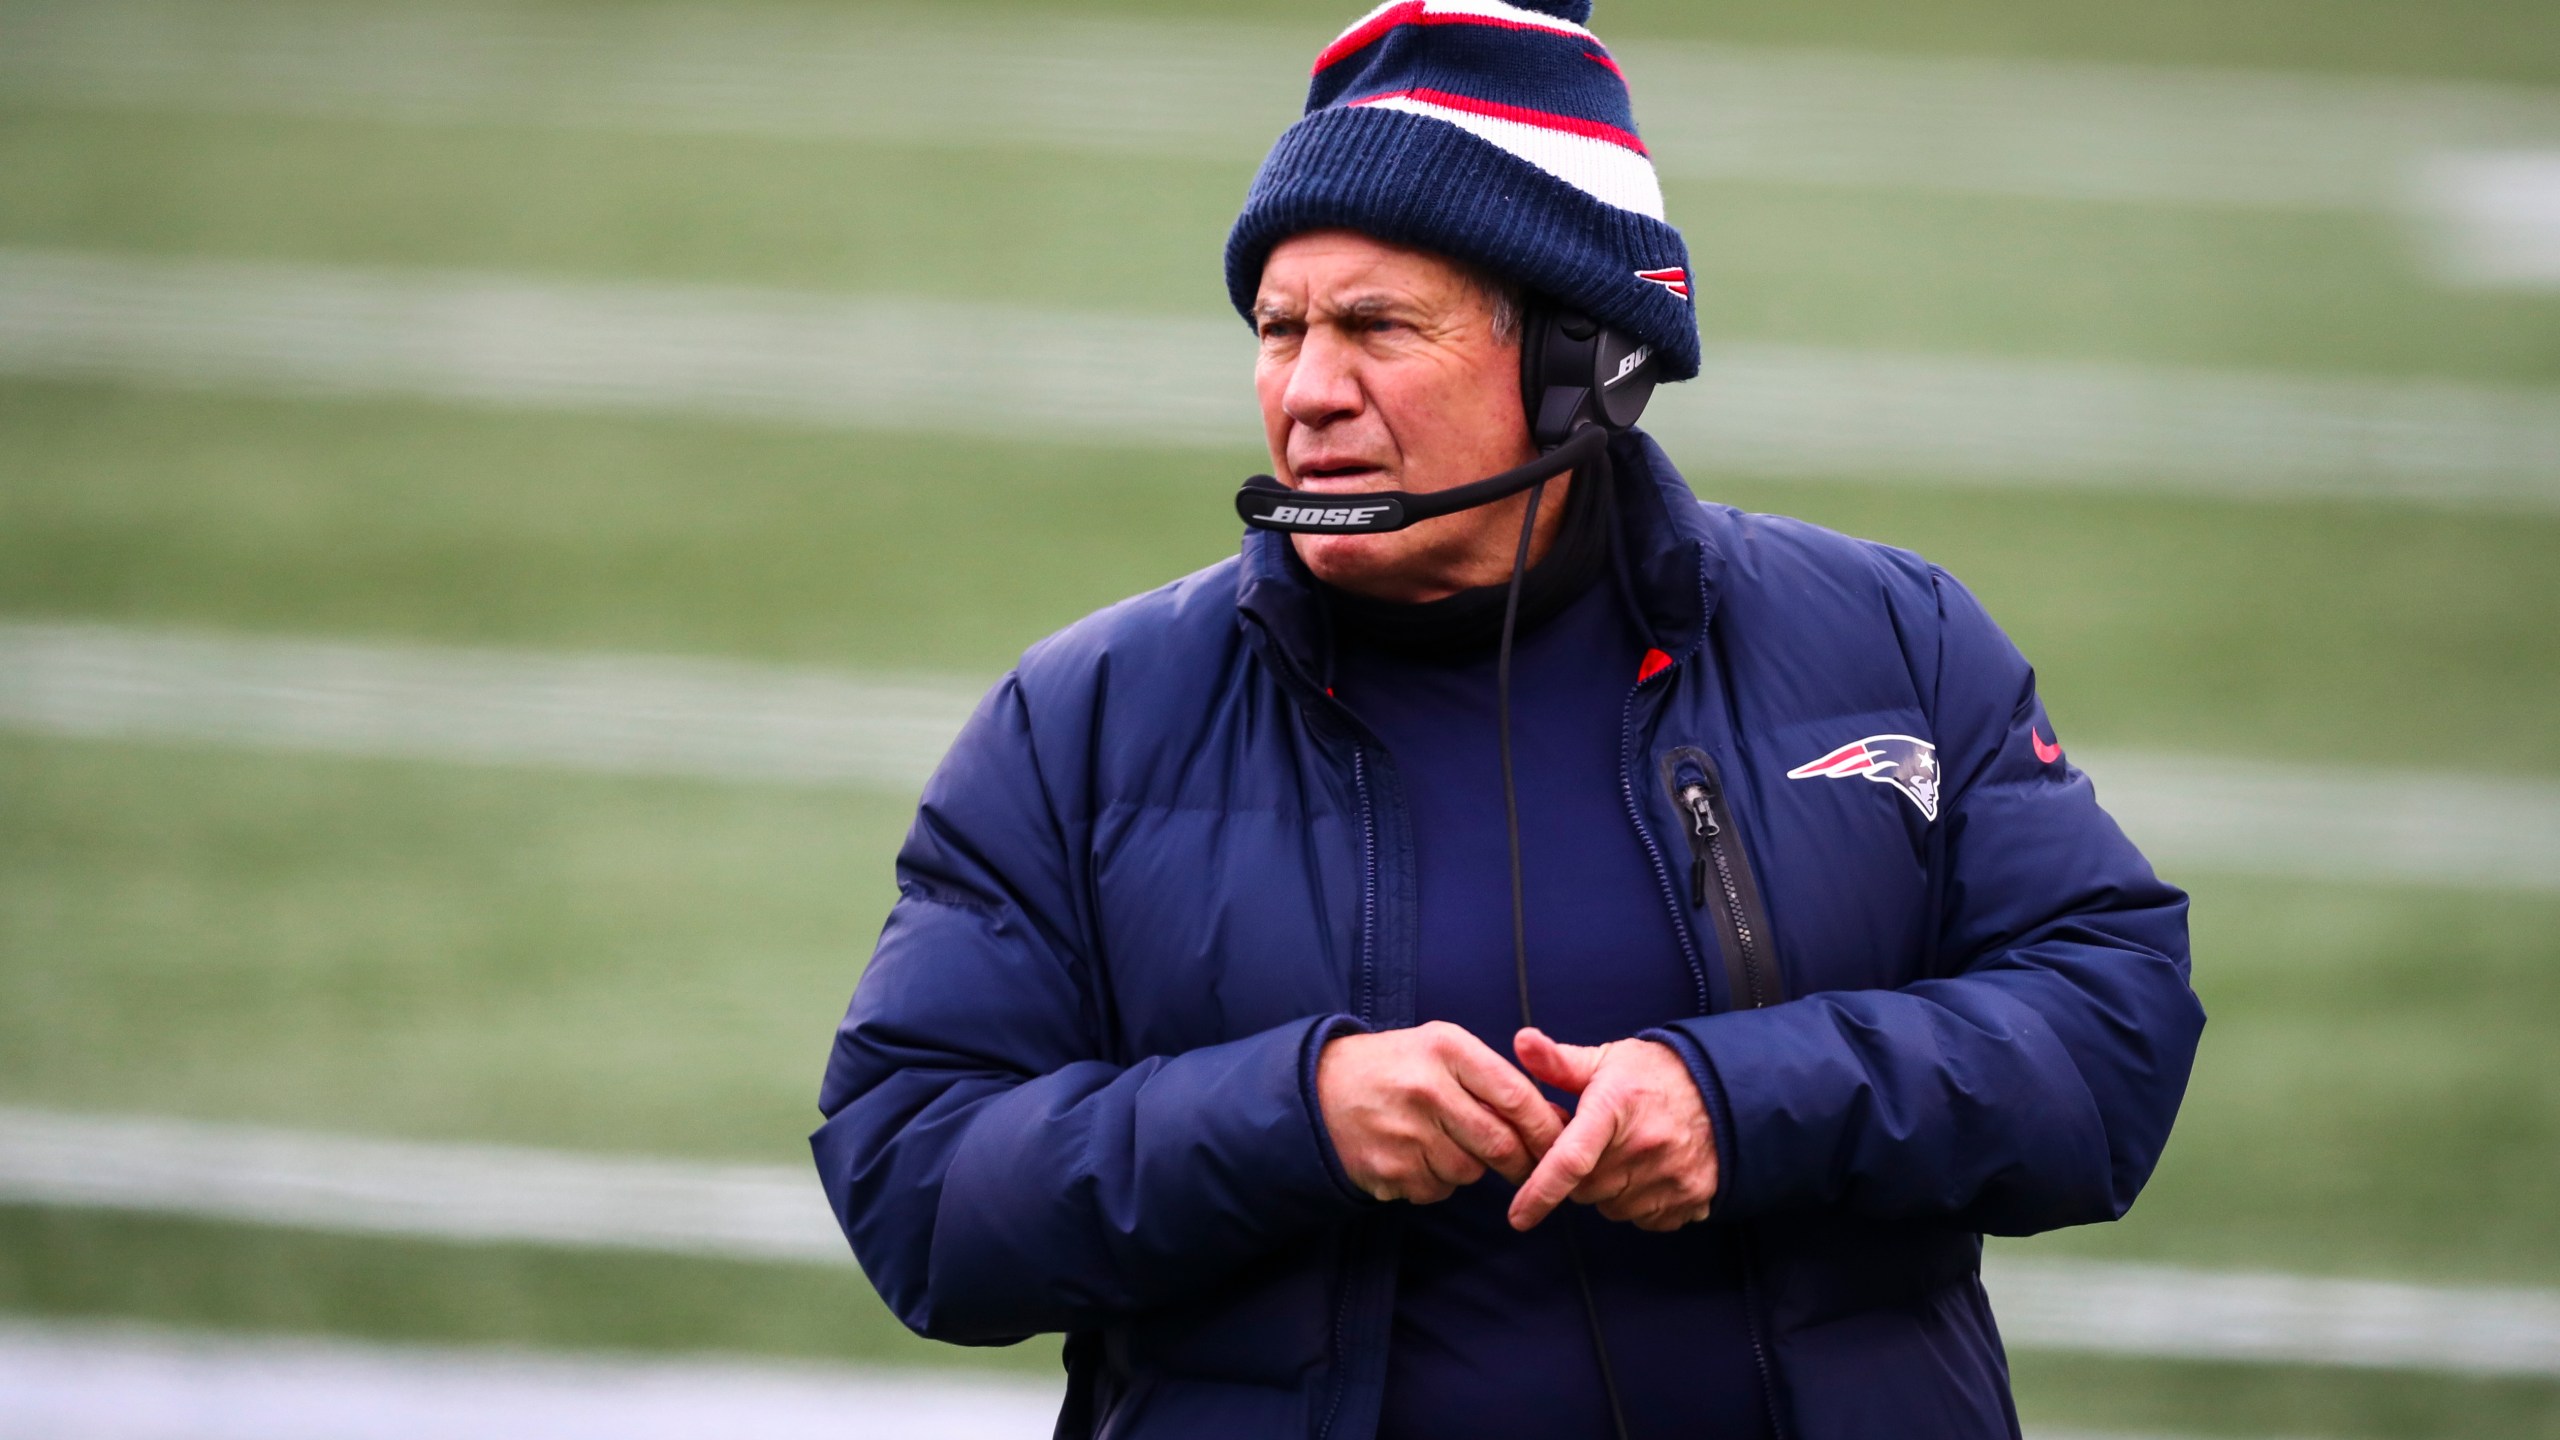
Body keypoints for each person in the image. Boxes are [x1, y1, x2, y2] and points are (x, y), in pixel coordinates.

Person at [812, 2, 2204, 1436]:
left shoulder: (1889, 640)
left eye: (1375, 329)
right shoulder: (1087, 718)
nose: (1306, 391)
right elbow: (916, 1182)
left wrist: (1741, 1106)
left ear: (1578, 361)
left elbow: (2110, 1035)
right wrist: (1299, 1116)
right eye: (1278, 330)